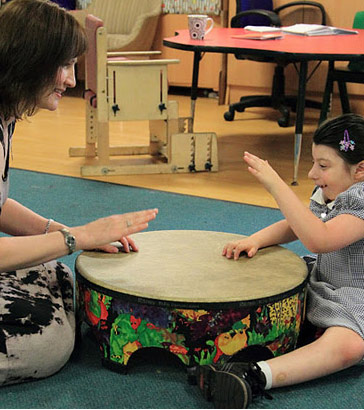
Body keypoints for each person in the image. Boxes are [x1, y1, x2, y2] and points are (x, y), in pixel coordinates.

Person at [0, 0, 158, 386]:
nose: (71, 80)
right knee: (47, 343)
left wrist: (62, 230)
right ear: (31, 60)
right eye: (66, 65)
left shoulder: (6, 114)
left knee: (54, 272)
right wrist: (76, 238)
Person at [197, 113, 364, 408]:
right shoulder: (334, 190)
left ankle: (254, 375)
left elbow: (320, 238)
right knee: (272, 281)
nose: (313, 173)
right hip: (324, 281)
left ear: (360, 170)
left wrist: (276, 186)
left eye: (323, 166)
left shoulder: (361, 200)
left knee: (351, 347)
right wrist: (257, 239)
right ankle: (209, 352)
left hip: (357, 296)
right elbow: (303, 222)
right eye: (314, 163)